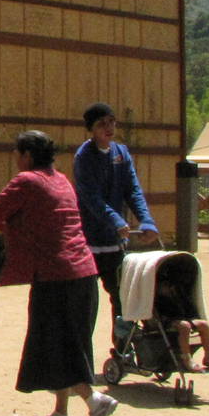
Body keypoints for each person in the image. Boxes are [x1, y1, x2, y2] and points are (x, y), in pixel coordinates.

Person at [0, 130, 118, 416]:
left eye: (17, 154)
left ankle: (95, 401)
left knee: (53, 344)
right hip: (83, 274)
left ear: (26, 154)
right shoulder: (61, 181)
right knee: (71, 342)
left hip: (56, 276)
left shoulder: (26, 181)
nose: (16, 160)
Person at [72, 102, 158, 337]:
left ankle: (122, 350)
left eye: (112, 121)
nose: (109, 128)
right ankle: (82, 358)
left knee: (121, 298)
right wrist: (116, 220)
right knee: (86, 302)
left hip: (114, 242)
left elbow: (133, 190)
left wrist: (146, 220)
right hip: (88, 241)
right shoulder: (84, 157)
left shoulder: (121, 153)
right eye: (102, 124)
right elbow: (91, 198)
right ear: (91, 129)